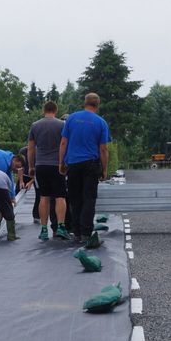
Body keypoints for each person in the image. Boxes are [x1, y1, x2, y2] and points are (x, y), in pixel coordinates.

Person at [58, 92, 110, 249]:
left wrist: (61, 162)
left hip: (73, 164)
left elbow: (63, 143)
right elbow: (103, 149)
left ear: (84, 103)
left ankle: (77, 233)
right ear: (97, 105)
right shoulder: (101, 122)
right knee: (89, 199)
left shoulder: (72, 118)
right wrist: (104, 169)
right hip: (91, 165)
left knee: (75, 199)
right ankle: (87, 234)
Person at [28, 100, 70, 241]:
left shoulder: (35, 125)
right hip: (56, 166)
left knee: (44, 197)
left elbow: (30, 148)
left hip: (41, 165)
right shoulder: (62, 125)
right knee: (60, 197)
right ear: (56, 110)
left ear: (43, 110)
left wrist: (31, 166)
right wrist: (64, 163)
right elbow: (65, 145)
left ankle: (44, 229)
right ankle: (61, 227)